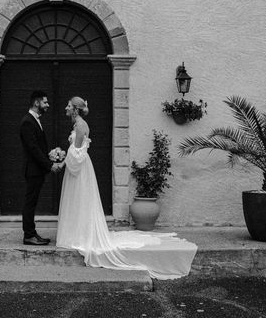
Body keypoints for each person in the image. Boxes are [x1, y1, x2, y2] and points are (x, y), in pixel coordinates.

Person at [55, 96, 198, 279]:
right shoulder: (77, 125)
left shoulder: (81, 125)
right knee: (77, 201)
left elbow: (77, 153)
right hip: (77, 169)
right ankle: (75, 234)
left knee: (81, 200)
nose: (65, 108)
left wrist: (62, 162)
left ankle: (79, 236)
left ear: (75, 109)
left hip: (80, 170)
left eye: (68, 105)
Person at [19, 90, 60, 246]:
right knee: (30, 202)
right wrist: (50, 165)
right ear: (36, 103)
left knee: (32, 202)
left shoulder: (34, 120)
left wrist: (49, 155)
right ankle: (29, 235)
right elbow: (33, 149)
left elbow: (38, 147)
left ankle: (32, 233)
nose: (48, 105)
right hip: (33, 170)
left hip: (37, 169)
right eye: (45, 102)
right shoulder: (27, 121)